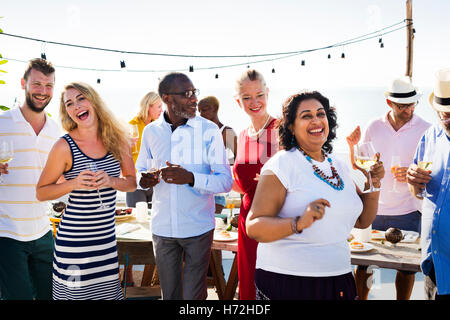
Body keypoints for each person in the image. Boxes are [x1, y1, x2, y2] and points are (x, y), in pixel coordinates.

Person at [246, 90, 385, 300]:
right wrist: (298, 223)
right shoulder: (282, 164)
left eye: (321, 114)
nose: (316, 120)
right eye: (306, 116)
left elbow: (362, 220)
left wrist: (374, 184)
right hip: (289, 282)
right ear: (291, 126)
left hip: (338, 278)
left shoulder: (337, 165)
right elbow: (254, 226)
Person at [35, 82, 136, 300]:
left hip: (106, 243)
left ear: (94, 101)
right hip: (74, 245)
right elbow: (41, 192)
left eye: (81, 98)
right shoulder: (64, 146)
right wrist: (73, 184)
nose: (76, 106)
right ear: (67, 112)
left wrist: (111, 181)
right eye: (69, 103)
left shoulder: (118, 140)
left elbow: (131, 183)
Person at [137, 72, 233, 300]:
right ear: (167, 98)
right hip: (162, 229)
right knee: (169, 295)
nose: (194, 99)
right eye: (186, 94)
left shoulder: (209, 130)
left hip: (197, 228)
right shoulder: (151, 132)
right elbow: (140, 171)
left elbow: (225, 181)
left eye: (194, 92)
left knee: (193, 297)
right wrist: (145, 180)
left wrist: (190, 177)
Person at [346, 77, 431, 300]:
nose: (408, 109)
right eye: (402, 106)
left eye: (412, 104)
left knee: (407, 268)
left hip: (409, 211)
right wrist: (351, 146)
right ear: (389, 103)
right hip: (375, 210)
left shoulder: (426, 129)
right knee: (365, 266)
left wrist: (414, 173)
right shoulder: (373, 126)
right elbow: (359, 163)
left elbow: (431, 170)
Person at [0, 58, 59, 300]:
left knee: (52, 295)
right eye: (37, 84)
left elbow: (56, 178)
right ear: (23, 83)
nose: (43, 91)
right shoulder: (2, 123)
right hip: (7, 233)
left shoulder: (55, 130)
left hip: (43, 230)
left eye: (49, 85)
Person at [232, 69, 278, 300]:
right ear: (238, 101)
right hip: (246, 221)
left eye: (259, 94)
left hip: (276, 222)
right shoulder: (242, 135)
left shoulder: (283, 130)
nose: (254, 102)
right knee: (249, 286)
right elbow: (241, 185)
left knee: (274, 285)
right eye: (246, 97)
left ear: (268, 93)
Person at [407, 68, 450, 300]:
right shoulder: (430, 136)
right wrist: (412, 181)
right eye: (442, 111)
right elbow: (417, 191)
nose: (446, 118)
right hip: (434, 262)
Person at [198, 95, 238, 213]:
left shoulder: (226, 131)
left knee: (215, 225)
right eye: (199, 111)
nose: (201, 114)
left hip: (217, 191)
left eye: (204, 110)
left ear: (215, 108)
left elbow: (238, 159)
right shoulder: (199, 132)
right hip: (200, 188)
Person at [126, 91, 162, 208]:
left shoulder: (158, 128)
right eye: (159, 107)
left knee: (154, 220)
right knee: (138, 219)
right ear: (149, 106)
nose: (161, 110)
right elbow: (121, 154)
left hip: (154, 181)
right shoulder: (132, 125)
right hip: (136, 181)